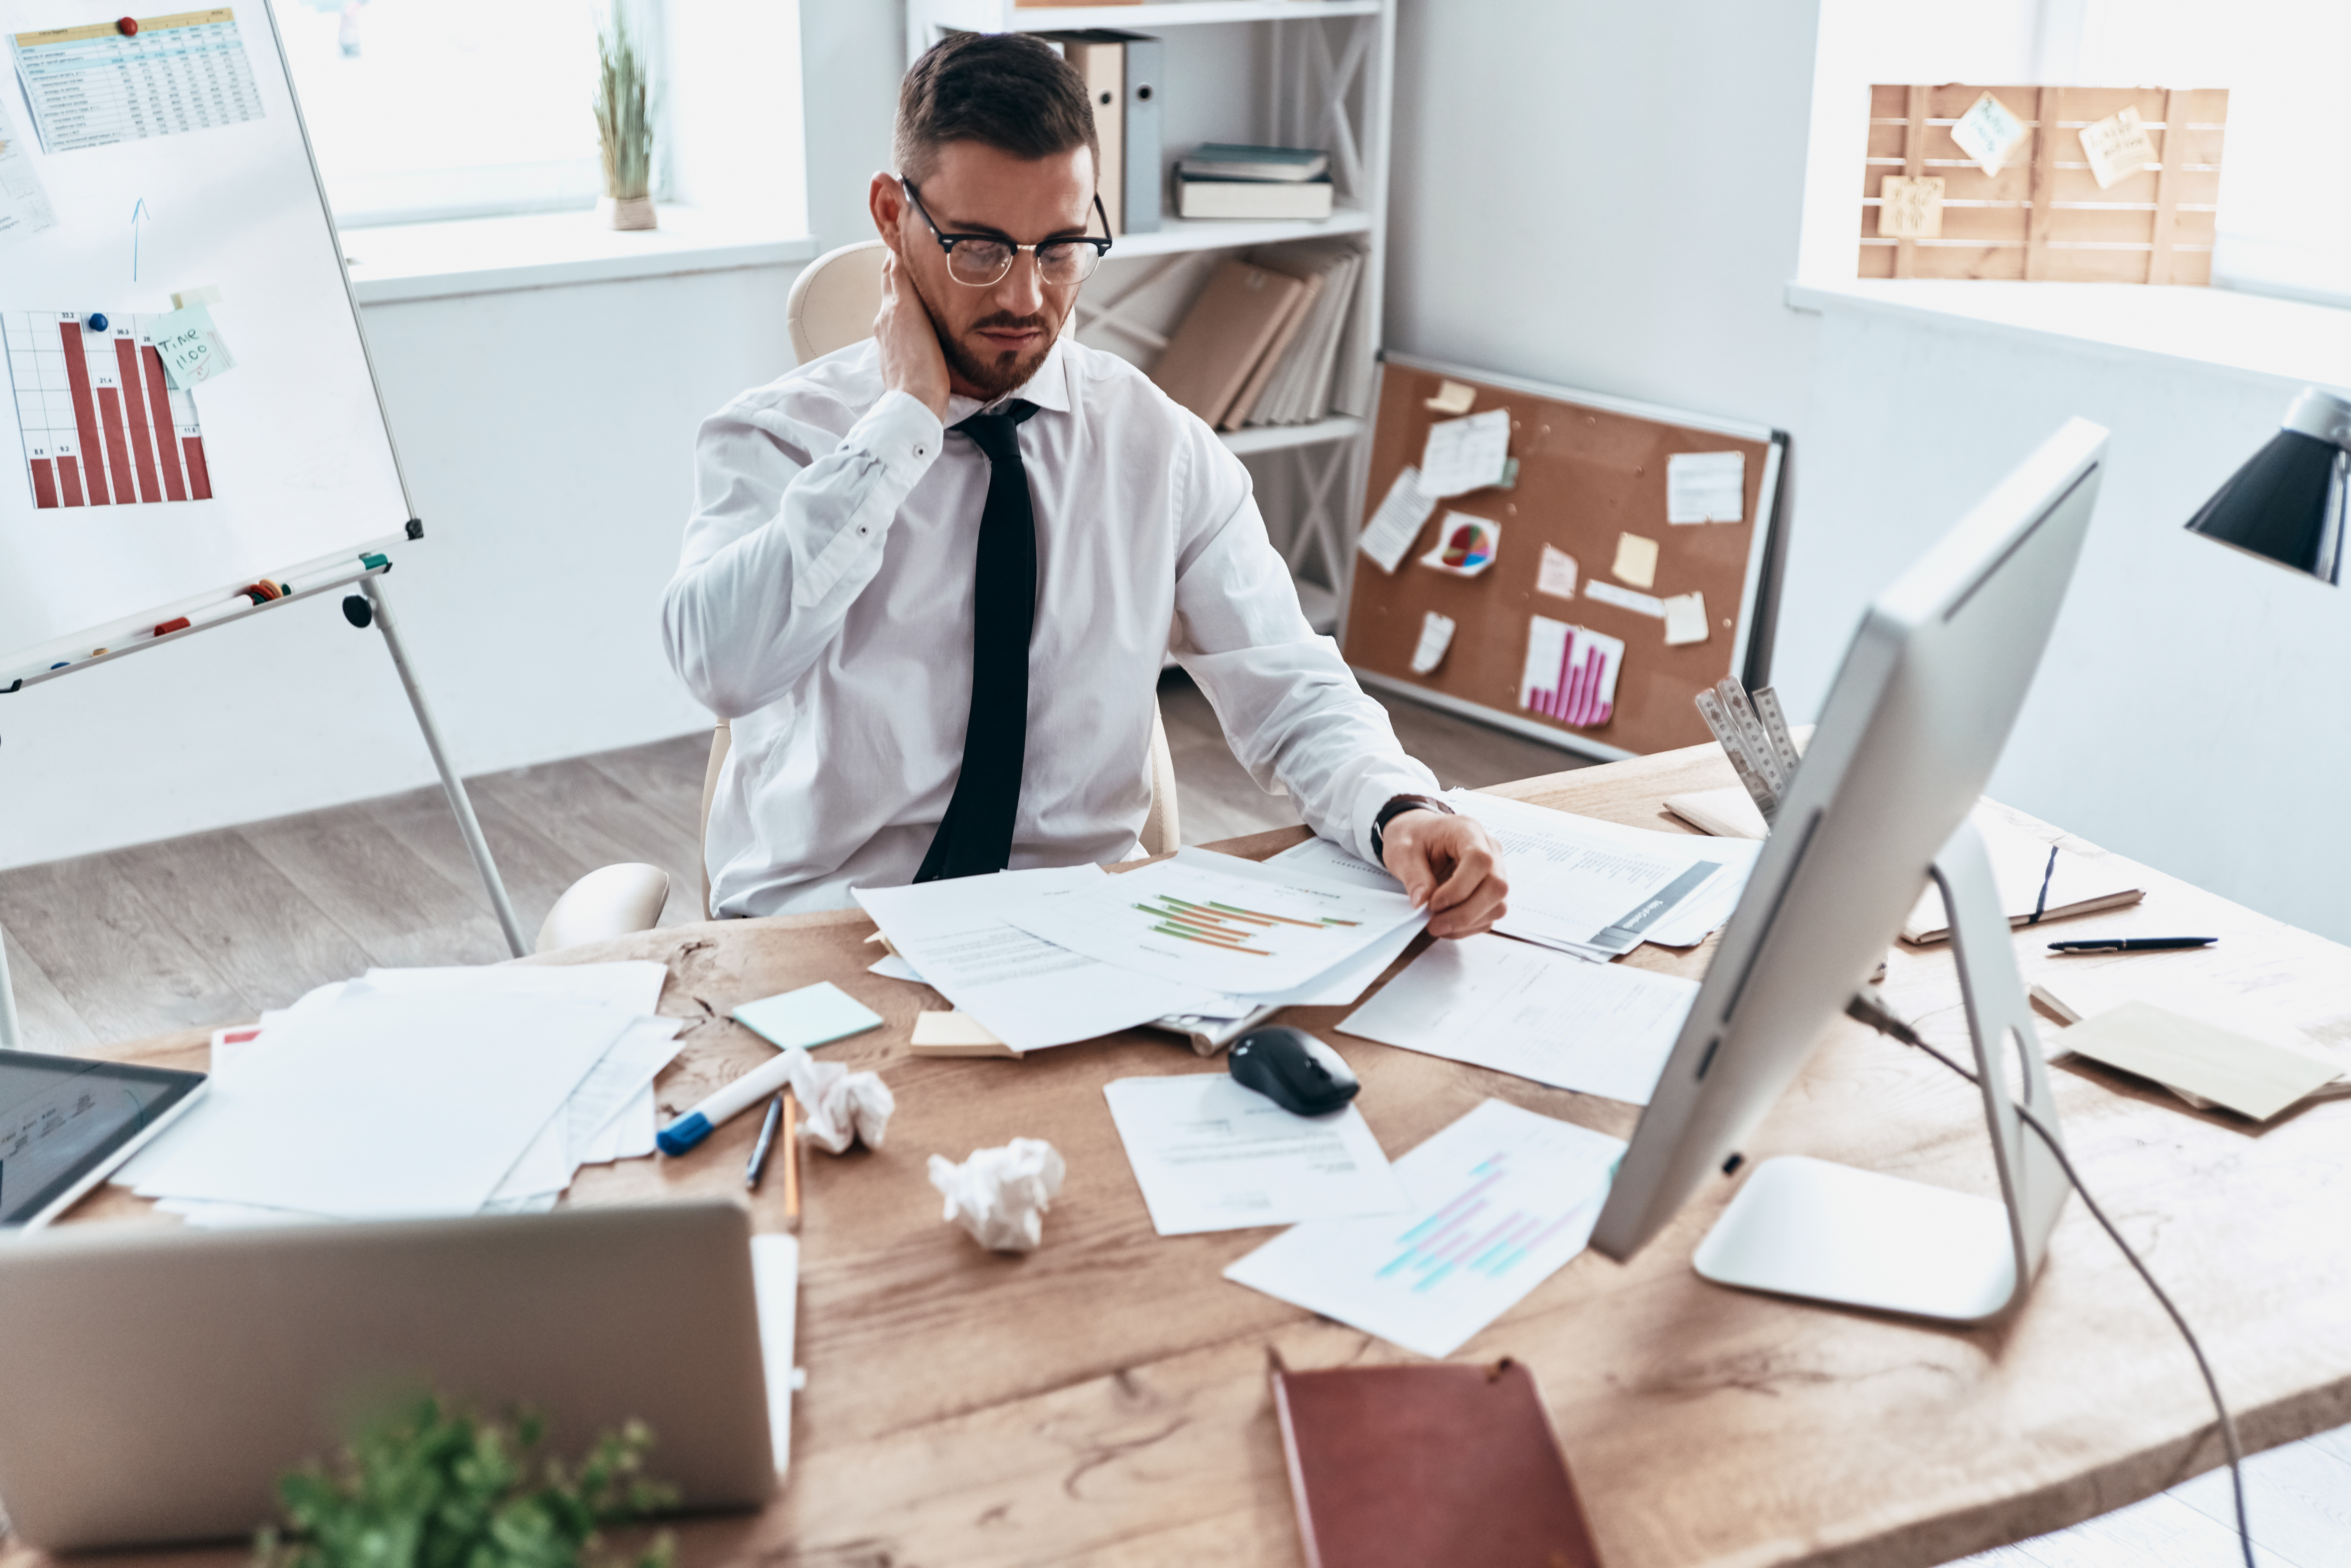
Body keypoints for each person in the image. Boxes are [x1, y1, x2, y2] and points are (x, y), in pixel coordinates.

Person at [662, 31, 1507, 937]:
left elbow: (1290, 688)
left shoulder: (1158, 448)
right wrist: (906, 421)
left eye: (1062, 248)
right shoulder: (778, 436)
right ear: (890, 214)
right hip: (831, 933)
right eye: (980, 249)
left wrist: (1399, 809)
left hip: (1083, 934)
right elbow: (722, 665)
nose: (1026, 298)